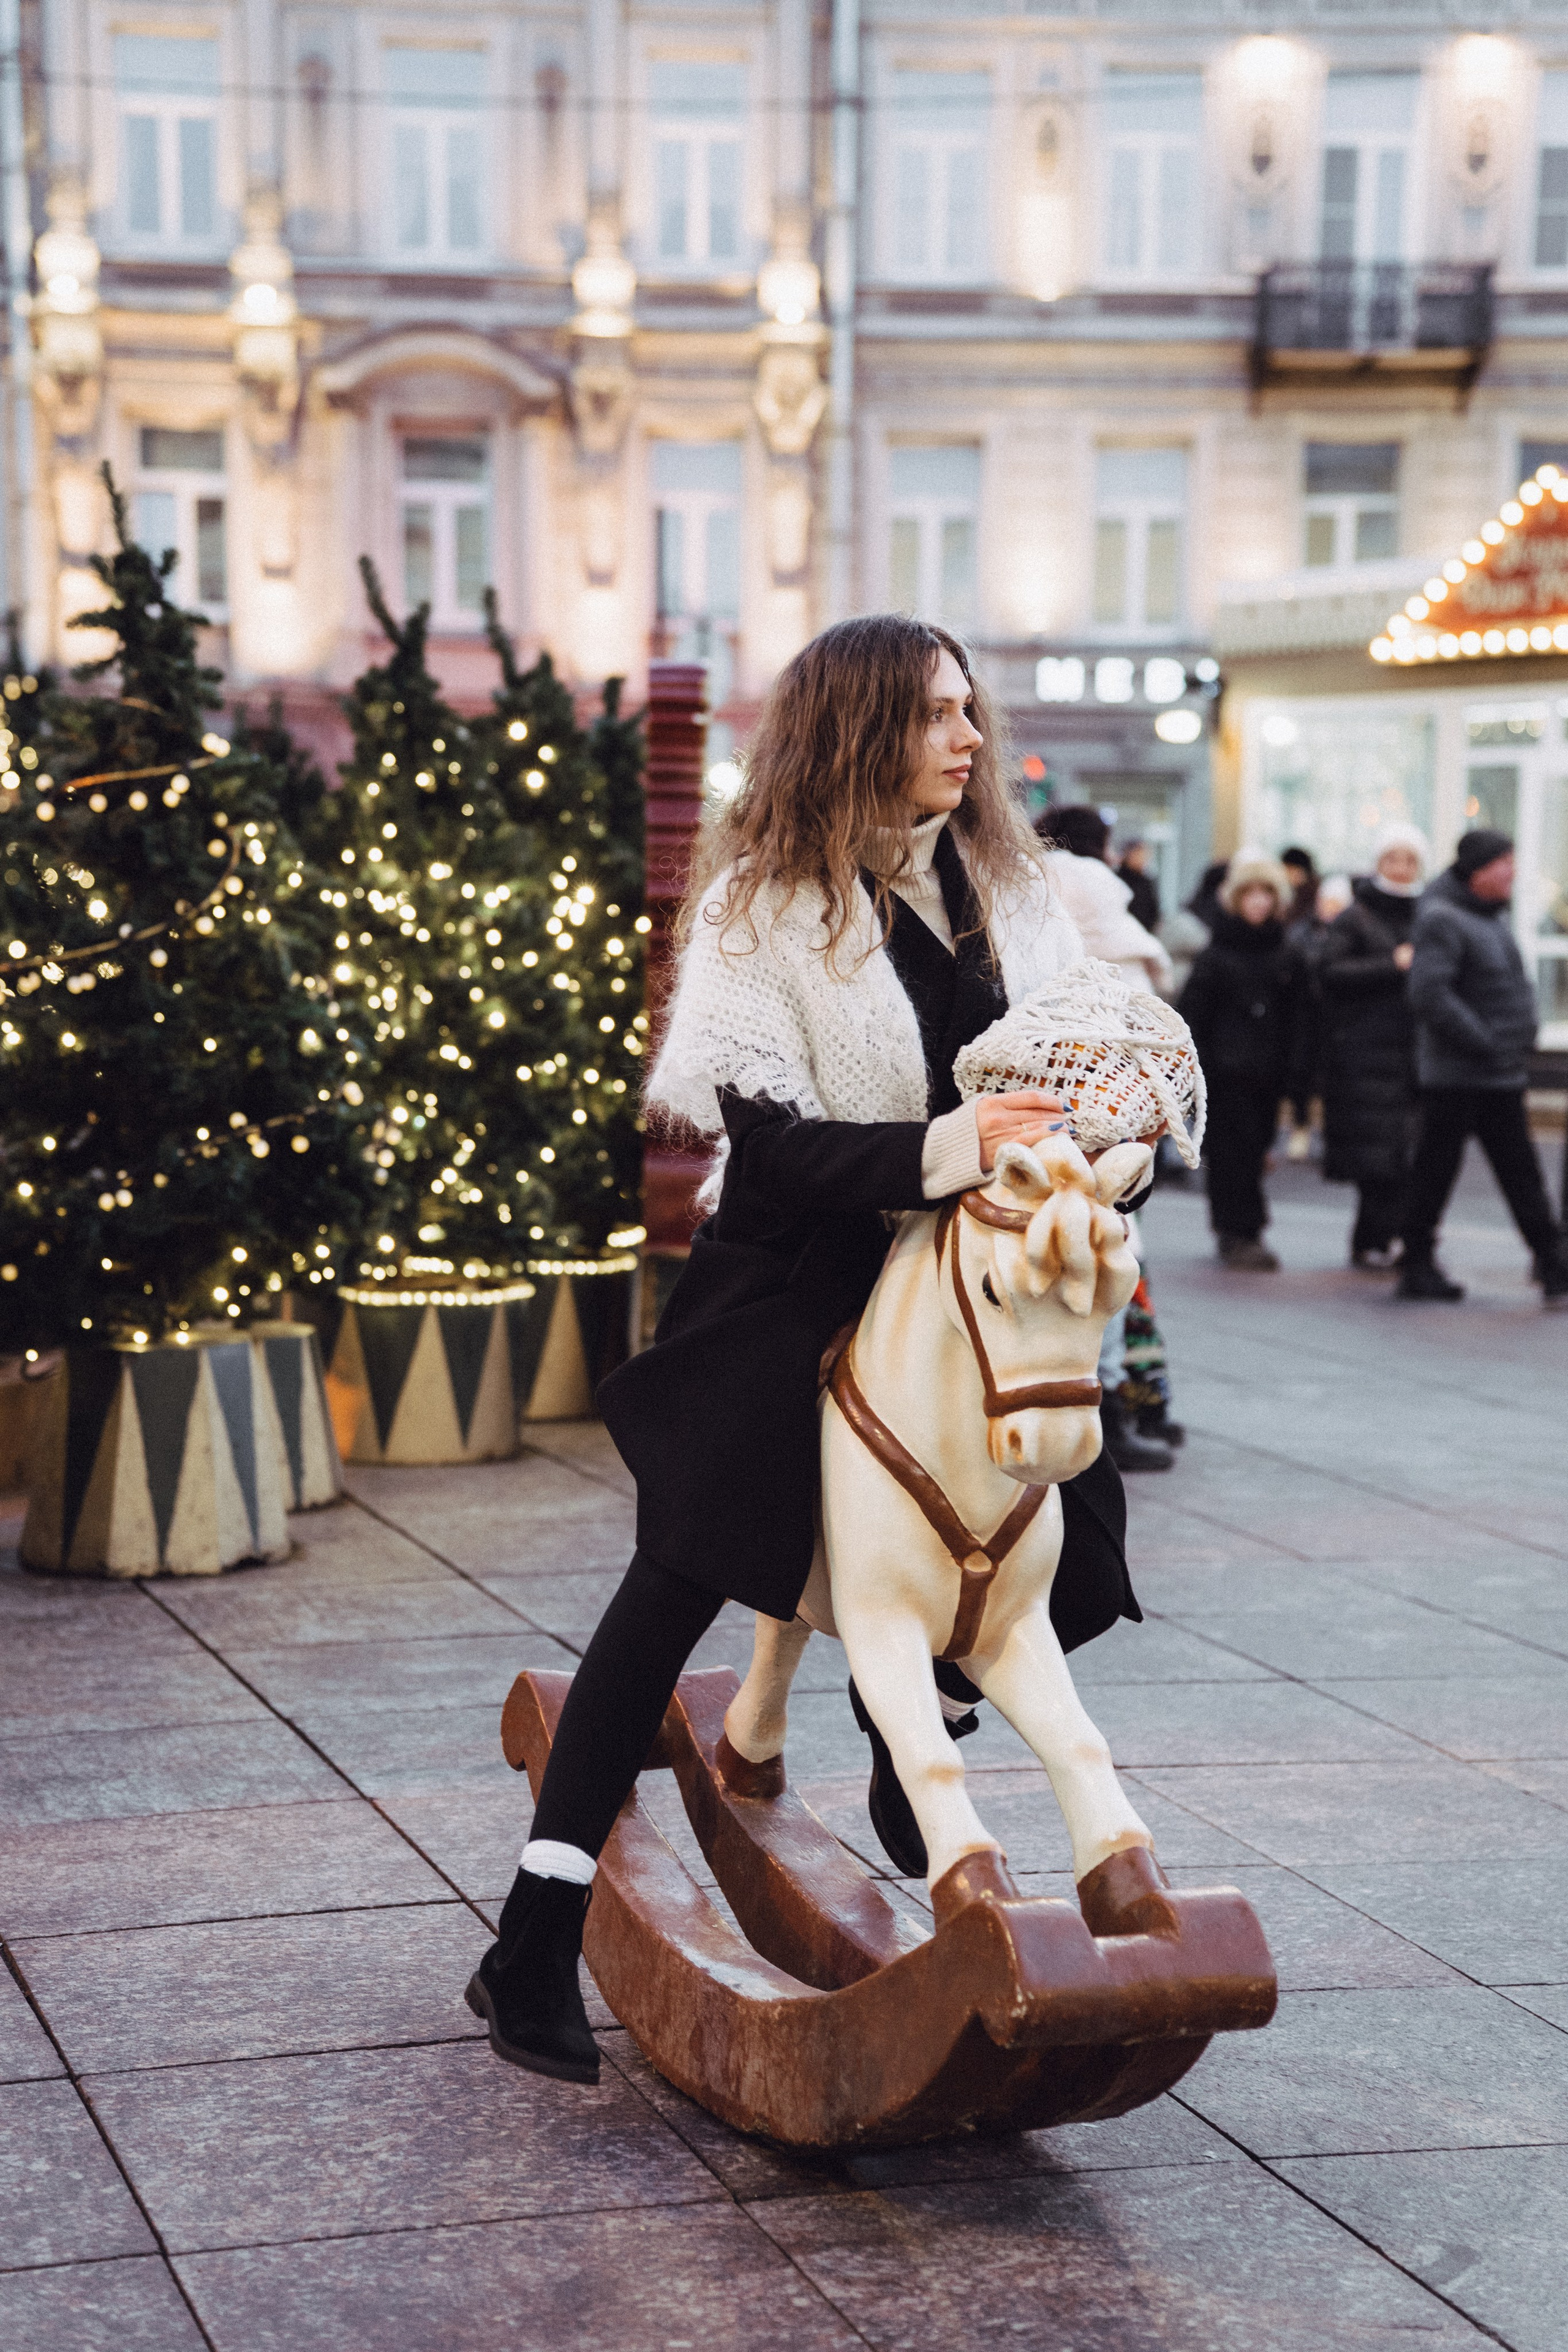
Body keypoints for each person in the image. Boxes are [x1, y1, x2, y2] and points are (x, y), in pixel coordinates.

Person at [466, 617, 1149, 2083]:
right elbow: (763, 1153)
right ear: (854, 727)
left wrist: (1111, 1152)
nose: (969, 739)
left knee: (1064, 1513)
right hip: (788, 1273)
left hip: (954, 1273)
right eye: (936, 715)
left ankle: (926, 1699)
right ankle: (534, 1926)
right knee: (680, 1571)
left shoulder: (1012, 895)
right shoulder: (756, 909)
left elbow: (1077, 1073)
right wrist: (956, 1140)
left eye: (971, 710)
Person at [1396, 827, 1568, 1303]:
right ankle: (1417, 1264)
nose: (1512, 871)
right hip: (1459, 1077)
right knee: (1437, 1172)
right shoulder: (1442, 919)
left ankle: (1552, 1264)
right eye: (1503, 863)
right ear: (1477, 871)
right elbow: (1428, 993)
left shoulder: (1489, 917)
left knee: (1520, 1173)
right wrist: (1486, 1042)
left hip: (1497, 1074)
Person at [1178, 851, 1309, 1271]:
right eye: (1249, 892)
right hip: (1223, 1072)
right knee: (1229, 1153)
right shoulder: (1216, 954)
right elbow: (1192, 1015)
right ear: (1235, 898)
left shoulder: (1287, 954)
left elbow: (1301, 1018)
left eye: (1267, 892)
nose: (1258, 901)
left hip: (1268, 1072)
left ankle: (1245, 1228)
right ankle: (1237, 1230)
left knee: (1255, 1150)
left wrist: (1298, 1074)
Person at [1317, 823, 1428, 1269]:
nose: (1401, 869)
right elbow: (1331, 972)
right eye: (1392, 859)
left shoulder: (1429, 912)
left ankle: (1397, 1238)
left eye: (1409, 860)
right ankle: (1374, 1238)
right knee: (1378, 1155)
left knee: (1409, 1151)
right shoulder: (1357, 915)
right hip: (1366, 1052)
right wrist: (1392, 965)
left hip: (1415, 1051)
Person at [1036, 804, 1174, 993]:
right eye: (1108, 843)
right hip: (1115, 990)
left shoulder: (1034, 873)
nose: (1113, 855)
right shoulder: (1093, 876)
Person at [1118, 839, 1161, 933]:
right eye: (1138, 853)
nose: (1142, 858)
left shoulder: (1147, 882)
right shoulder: (1117, 879)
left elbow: (1154, 910)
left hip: (1145, 932)